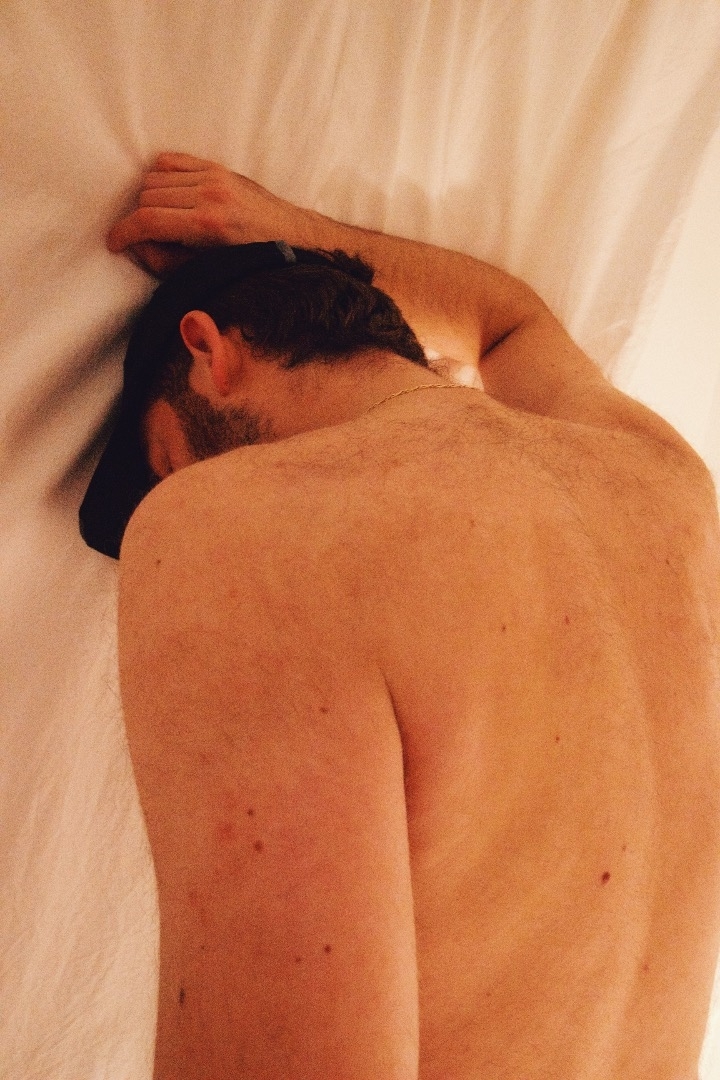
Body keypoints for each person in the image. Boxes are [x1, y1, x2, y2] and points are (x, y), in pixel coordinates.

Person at [106, 152, 720, 1080]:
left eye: (168, 458)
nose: (176, 490)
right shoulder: (662, 483)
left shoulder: (241, 525)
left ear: (209, 352)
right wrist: (291, 234)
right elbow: (507, 321)